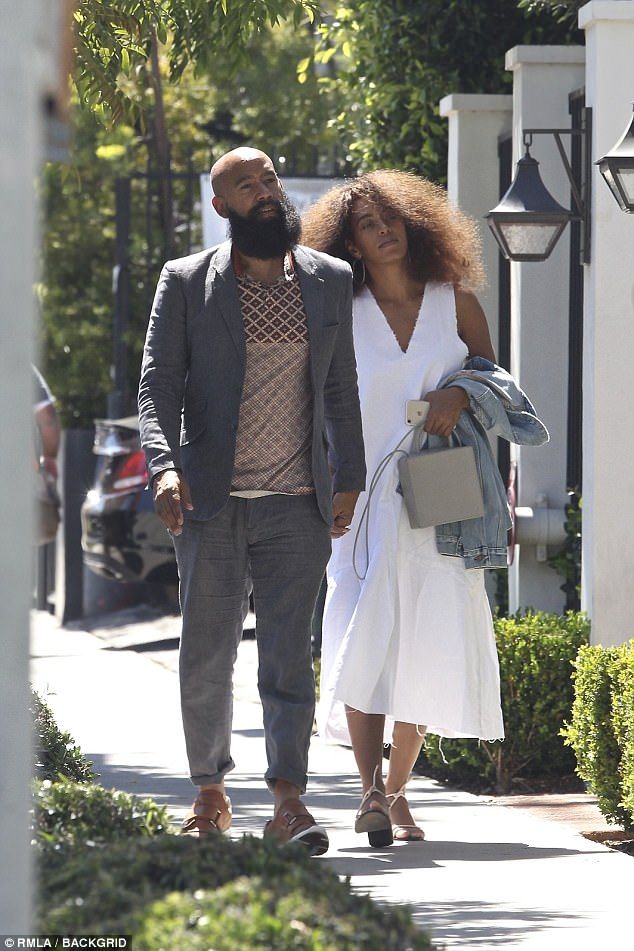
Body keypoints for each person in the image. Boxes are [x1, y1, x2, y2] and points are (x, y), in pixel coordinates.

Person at [138, 147, 365, 855]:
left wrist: (349, 472)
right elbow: (157, 386)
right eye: (247, 185)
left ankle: (288, 801)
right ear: (222, 208)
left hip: (297, 502)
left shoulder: (329, 280)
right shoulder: (185, 282)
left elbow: (340, 388)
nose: (265, 191)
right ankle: (209, 790)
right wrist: (164, 468)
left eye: (268, 178)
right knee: (206, 654)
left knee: (288, 658)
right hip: (210, 502)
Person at [302, 170, 509, 846]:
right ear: (350, 242)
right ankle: (369, 789)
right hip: (357, 494)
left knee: (425, 632)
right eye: (368, 223)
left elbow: (493, 380)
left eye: (393, 218)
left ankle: (396, 792)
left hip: (440, 484)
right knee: (367, 631)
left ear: (415, 224)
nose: (384, 230)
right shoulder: (337, 307)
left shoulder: (454, 301)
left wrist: (457, 393)